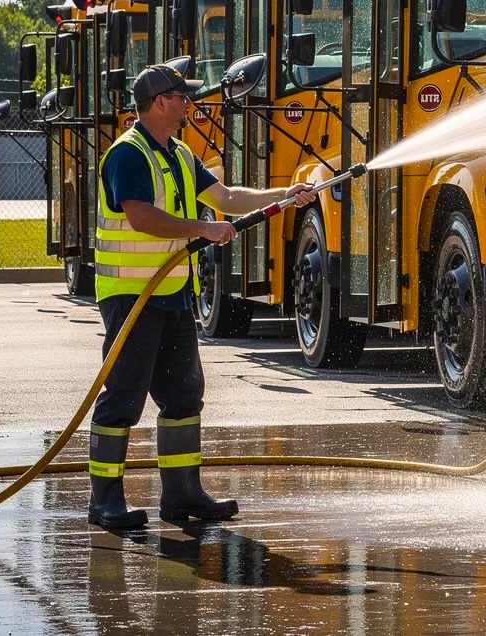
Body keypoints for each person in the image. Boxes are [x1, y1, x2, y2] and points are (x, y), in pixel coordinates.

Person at [87, 63, 316, 529]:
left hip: (171, 294)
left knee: (184, 395)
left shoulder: (178, 154)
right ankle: (104, 499)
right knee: (124, 398)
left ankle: (182, 494)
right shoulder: (128, 154)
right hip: (132, 296)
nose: (189, 104)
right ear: (158, 103)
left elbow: (228, 198)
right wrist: (202, 229)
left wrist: (286, 194)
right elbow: (142, 218)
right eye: (181, 97)